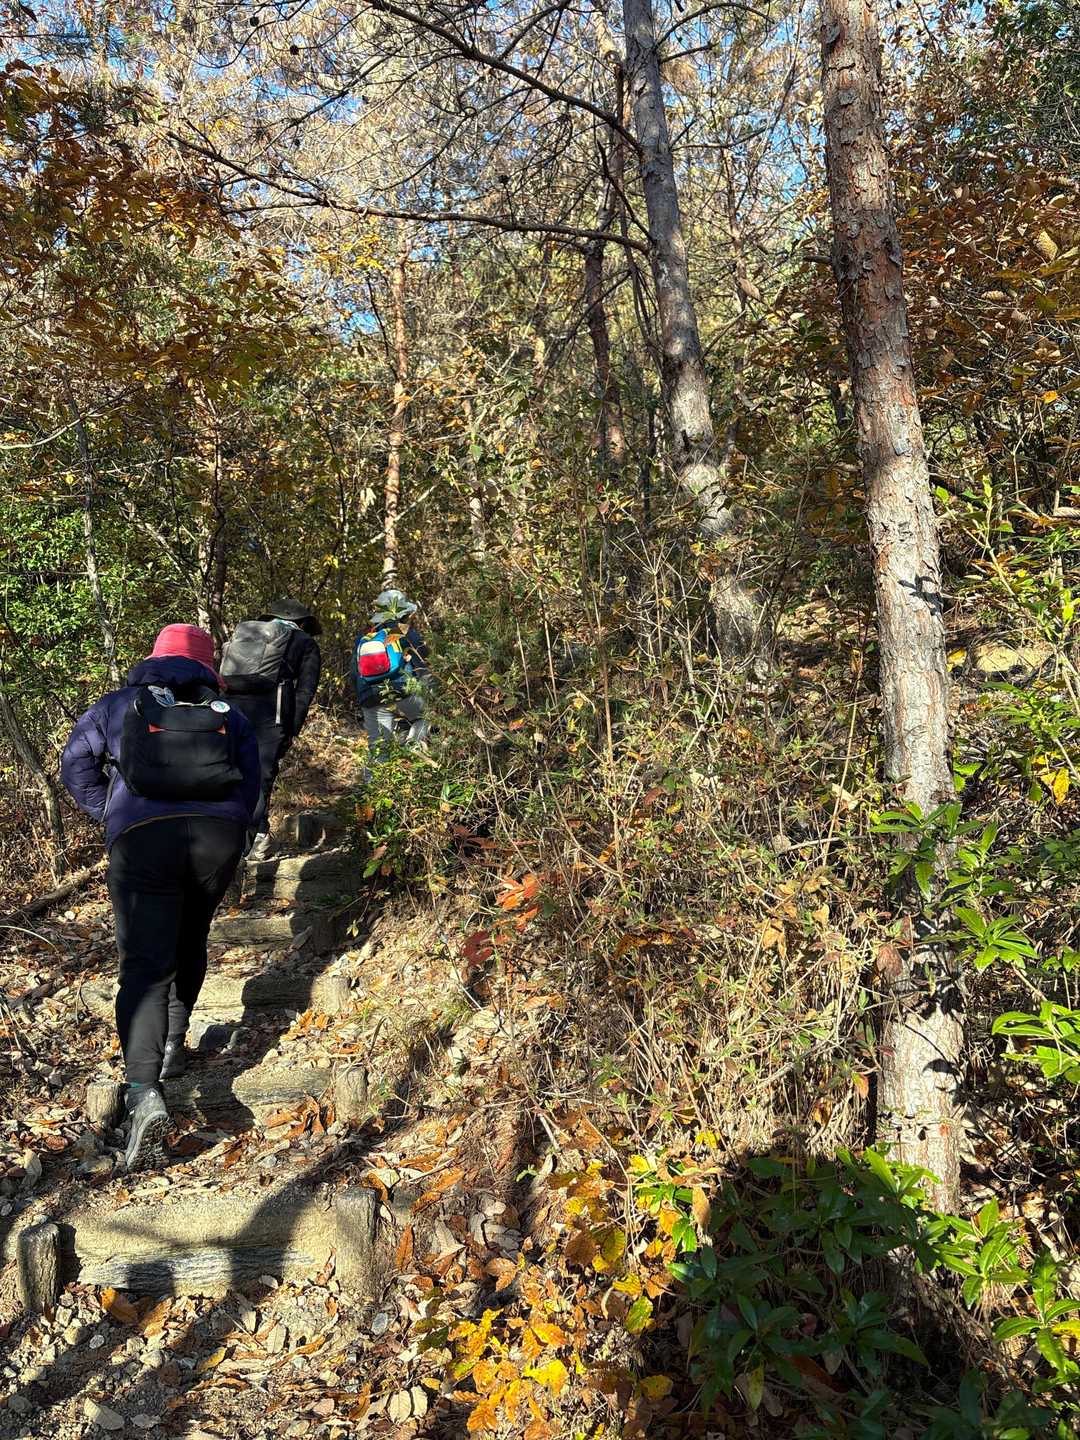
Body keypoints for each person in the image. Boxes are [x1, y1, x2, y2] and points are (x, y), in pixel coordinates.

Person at [61, 624, 260, 1171]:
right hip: (215, 839)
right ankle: (173, 1044)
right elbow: (251, 782)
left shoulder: (116, 705)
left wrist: (111, 812)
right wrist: (234, 824)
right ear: (207, 664)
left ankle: (144, 1090)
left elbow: (75, 764)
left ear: (154, 658)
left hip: (142, 840)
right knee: (190, 937)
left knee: (145, 964)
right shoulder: (227, 712)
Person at [219, 598, 322, 862]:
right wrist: (292, 728)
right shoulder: (305, 642)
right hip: (270, 715)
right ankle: (254, 841)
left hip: (230, 711)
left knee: (232, 771)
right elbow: (305, 691)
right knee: (260, 775)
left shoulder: (248, 635)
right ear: (302, 623)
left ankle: (238, 836)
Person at [351, 589, 432, 769]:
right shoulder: (404, 632)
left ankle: (373, 785)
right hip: (402, 691)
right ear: (402, 613)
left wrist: (365, 698)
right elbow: (424, 664)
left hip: (370, 697)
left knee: (378, 750)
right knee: (428, 716)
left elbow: (354, 675)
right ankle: (413, 747)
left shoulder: (363, 639)